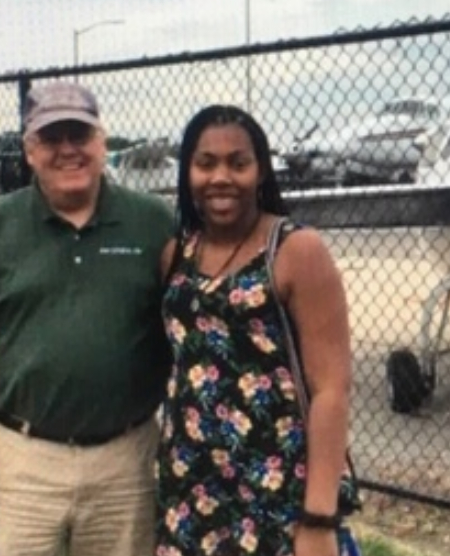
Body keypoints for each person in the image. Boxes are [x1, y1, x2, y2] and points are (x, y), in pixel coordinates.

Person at [0, 81, 174, 556]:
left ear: (102, 141)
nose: (67, 150)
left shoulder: (154, 223)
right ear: (29, 150)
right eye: (51, 138)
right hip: (22, 460)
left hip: (127, 461)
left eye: (79, 134)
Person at [156, 104, 358, 556]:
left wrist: (319, 517)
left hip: (277, 493)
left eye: (238, 163)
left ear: (262, 171)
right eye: (205, 163)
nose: (221, 177)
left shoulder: (295, 251)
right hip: (192, 492)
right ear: (187, 171)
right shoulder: (175, 256)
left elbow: (332, 390)